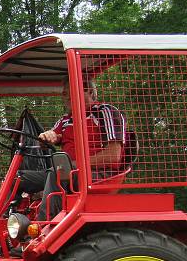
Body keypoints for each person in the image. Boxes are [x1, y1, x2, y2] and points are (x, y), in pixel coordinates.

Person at [16, 76, 125, 220]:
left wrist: (73, 165)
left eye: (72, 92)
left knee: (59, 173)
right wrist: (46, 137)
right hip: (69, 174)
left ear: (90, 93)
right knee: (17, 178)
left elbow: (113, 156)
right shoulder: (66, 120)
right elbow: (53, 135)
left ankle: (43, 225)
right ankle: (11, 224)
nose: (67, 97)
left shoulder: (104, 112)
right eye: (65, 93)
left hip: (100, 176)